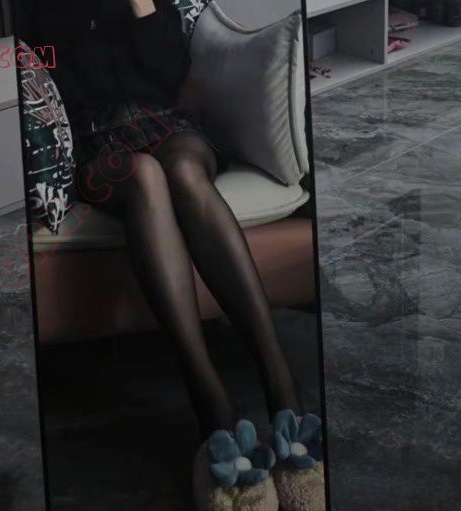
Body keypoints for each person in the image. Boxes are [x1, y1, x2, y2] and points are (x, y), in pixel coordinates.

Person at [28, 0, 300, 439]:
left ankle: (280, 381)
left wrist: (142, 9)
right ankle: (208, 396)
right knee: (144, 174)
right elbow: (64, 93)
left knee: (185, 174)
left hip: (168, 127)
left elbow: (169, 77)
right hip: (98, 145)